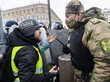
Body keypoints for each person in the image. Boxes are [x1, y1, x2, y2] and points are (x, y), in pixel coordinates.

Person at [63, 0, 110, 82]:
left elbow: (104, 64)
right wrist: (69, 47)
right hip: (80, 76)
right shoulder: (77, 28)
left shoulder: (96, 27)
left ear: (78, 14)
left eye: (68, 16)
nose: (66, 20)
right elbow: (83, 43)